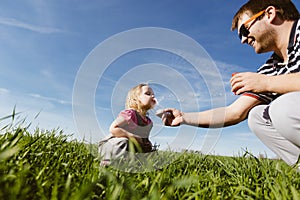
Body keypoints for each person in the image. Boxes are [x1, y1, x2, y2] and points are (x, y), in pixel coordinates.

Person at [161, 0, 300, 169]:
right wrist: (184, 117)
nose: (242, 40)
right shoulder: (272, 68)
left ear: (269, 14)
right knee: (257, 116)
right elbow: (234, 112)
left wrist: (265, 82)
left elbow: (269, 84)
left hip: (282, 101)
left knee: (281, 107)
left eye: (244, 29)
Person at [98, 83, 157, 166]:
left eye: (154, 95)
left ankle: (136, 163)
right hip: (113, 143)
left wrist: (147, 143)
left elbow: (144, 138)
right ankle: (108, 163)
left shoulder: (149, 122)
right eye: (148, 94)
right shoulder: (130, 114)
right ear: (135, 99)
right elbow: (113, 128)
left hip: (131, 146)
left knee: (151, 151)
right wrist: (131, 136)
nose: (153, 96)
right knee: (123, 142)